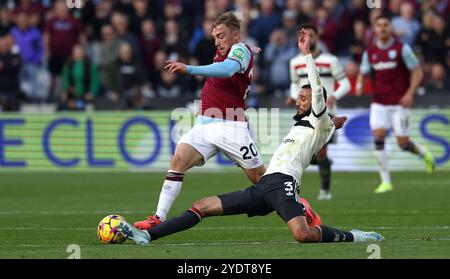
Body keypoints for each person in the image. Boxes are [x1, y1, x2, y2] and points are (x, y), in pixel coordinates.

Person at [117, 29, 384, 245]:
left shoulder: (317, 117)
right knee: (201, 206)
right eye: (300, 98)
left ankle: (353, 236)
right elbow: (325, 125)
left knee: (303, 235)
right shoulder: (310, 125)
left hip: (284, 186)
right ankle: (148, 235)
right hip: (264, 187)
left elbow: (316, 89)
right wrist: (334, 124)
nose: (298, 102)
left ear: (317, 104)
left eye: (303, 99)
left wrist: (306, 55)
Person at [133, 11, 266, 230]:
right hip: (204, 125)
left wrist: (189, 69)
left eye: (221, 36)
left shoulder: (239, 50)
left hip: (230, 125)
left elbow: (227, 70)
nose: (217, 42)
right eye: (215, 37)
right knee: (178, 160)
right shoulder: (236, 50)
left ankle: (300, 207)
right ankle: (158, 217)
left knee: (261, 179)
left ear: (235, 35)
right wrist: (251, 50)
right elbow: (231, 61)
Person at [356, 14, 435, 194]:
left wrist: (409, 93)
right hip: (379, 102)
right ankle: (385, 181)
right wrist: (360, 84)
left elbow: (417, 72)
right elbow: (363, 71)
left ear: (390, 28)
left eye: (386, 25)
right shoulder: (370, 51)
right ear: (374, 29)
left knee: (403, 144)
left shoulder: (402, 49)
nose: (383, 28)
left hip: (400, 102)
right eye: (379, 25)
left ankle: (424, 153)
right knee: (378, 136)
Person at [286, 24, 351, 201]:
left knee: (321, 152)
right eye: (304, 36)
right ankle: (324, 166)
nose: (308, 39)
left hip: (326, 111)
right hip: (304, 112)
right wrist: (294, 97)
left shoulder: (331, 61)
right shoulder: (295, 62)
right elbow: (294, 83)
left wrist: (334, 96)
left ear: (317, 37)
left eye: (311, 36)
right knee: (306, 152)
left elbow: (346, 84)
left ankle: (325, 191)